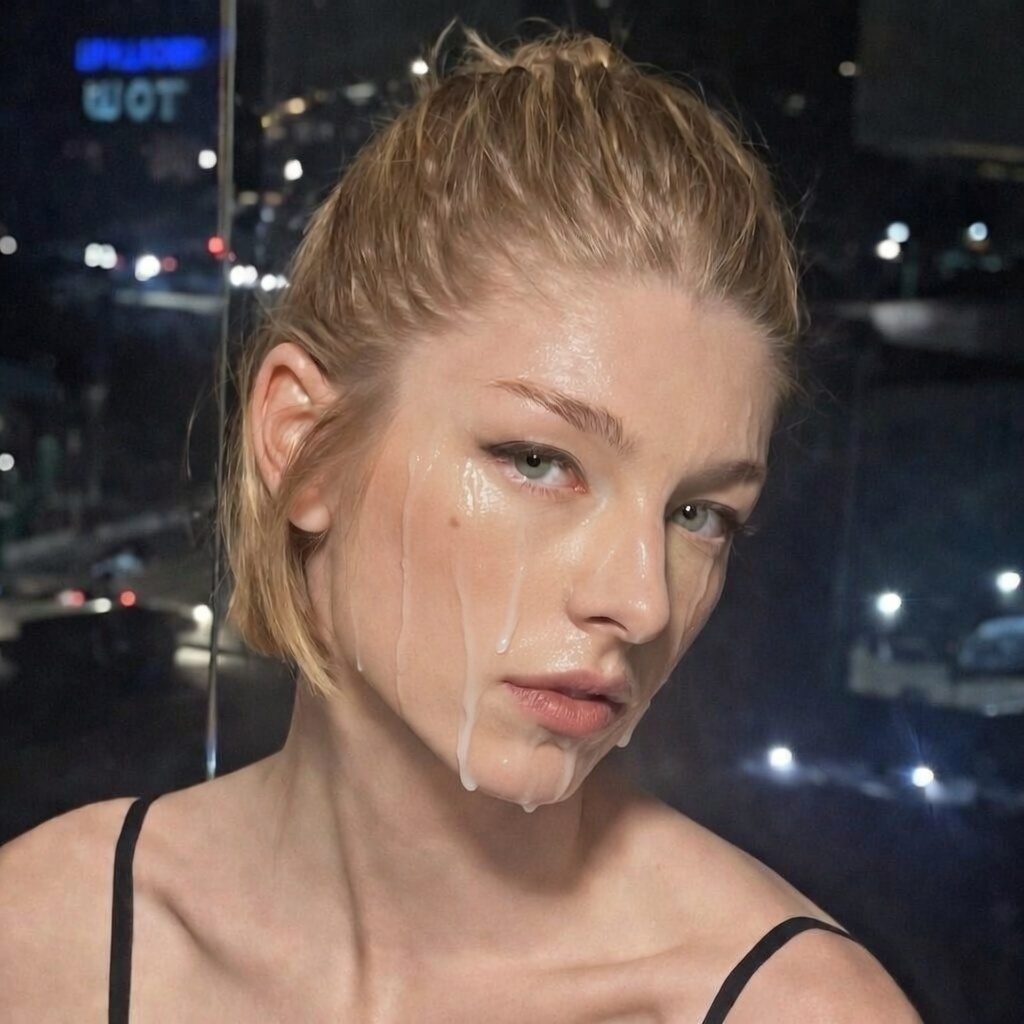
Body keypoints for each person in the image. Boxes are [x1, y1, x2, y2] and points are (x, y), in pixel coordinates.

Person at [0, 29, 921, 1023]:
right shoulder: (45, 945)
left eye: (699, 515)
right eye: (539, 461)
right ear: (302, 445)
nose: (641, 601)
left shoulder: (795, 1010)